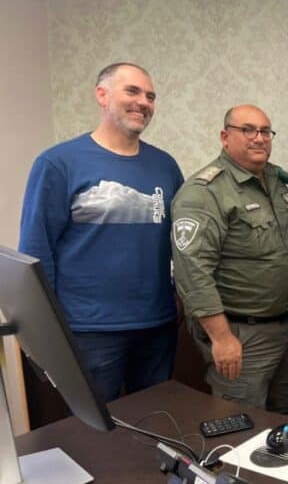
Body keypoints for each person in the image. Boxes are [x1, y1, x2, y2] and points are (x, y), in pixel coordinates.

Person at [19, 62, 184, 402]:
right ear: (102, 95)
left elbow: (182, 243)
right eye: (132, 91)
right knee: (94, 428)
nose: (144, 102)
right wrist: (46, 327)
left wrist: (181, 296)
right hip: (89, 330)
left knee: (157, 420)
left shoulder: (165, 166)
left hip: (157, 325)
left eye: (150, 96)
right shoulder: (58, 163)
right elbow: (36, 249)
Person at [171, 105, 288, 414]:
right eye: (248, 130)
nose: (259, 138)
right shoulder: (204, 193)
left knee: (287, 419)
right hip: (240, 333)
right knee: (241, 423)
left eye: (265, 131)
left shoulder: (276, 180)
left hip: (286, 326)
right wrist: (222, 337)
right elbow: (192, 272)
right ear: (225, 136)